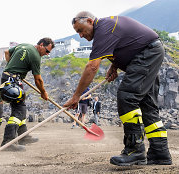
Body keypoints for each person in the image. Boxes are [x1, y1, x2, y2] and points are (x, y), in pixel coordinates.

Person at [65, 11, 172, 166]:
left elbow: (91, 68)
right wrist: (114, 66)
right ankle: (160, 153)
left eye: (80, 30)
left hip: (147, 53)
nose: (80, 35)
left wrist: (76, 96)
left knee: (127, 96)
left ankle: (135, 150)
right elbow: (128, 44)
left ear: (89, 21)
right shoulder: (108, 27)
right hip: (150, 52)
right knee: (147, 104)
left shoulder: (103, 29)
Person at [0, 37, 54, 151]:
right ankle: (8, 142)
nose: (47, 54)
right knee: (19, 110)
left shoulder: (24, 45)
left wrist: (14, 67)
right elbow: (38, 80)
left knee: (21, 107)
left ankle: (23, 137)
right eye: (47, 51)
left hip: (9, 77)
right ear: (41, 45)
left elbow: (7, 52)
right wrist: (43, 93)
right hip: (12, 80)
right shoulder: (35, 56)